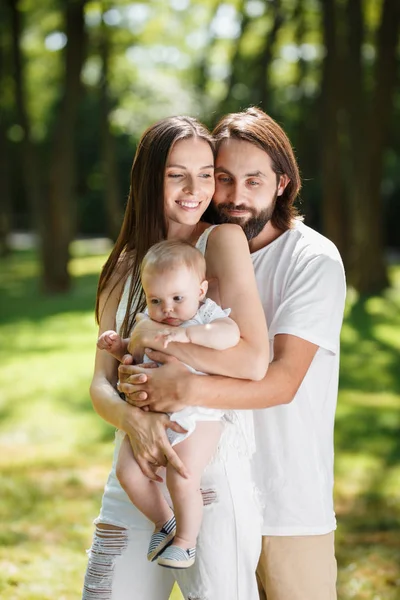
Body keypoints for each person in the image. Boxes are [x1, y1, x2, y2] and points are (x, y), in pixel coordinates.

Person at [118, 107, 346, 600]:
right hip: (212, 481)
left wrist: (182, 380)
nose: (236, 196)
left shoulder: (311, 259)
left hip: (288, 494)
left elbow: (281, 381)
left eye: (254, 180)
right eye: (223, 178)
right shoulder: (189, 260)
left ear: (283, 183)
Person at [83, 115, 269, 599]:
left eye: (206, 172)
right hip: (138, 470)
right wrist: (132, 419)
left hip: (204, 471)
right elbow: (100, 384)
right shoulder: (122, 267)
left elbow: (252, 360)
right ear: (149, 179)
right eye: (176, 174)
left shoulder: (220, 241)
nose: (196, 188)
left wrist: (162, 341)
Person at [97, 239, 241, 569]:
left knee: (182, 475)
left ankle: (186, 543)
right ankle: (166, 522)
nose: (168, 309)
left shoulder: (206, 316)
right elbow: (136, 358)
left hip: (198, 416)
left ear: (201, 291)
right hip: (153, 417)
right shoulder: (149, 321)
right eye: (157, 300)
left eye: (178, 298)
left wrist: (191, 336)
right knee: (127, 472)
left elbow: (229, 336)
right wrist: (118, 347)